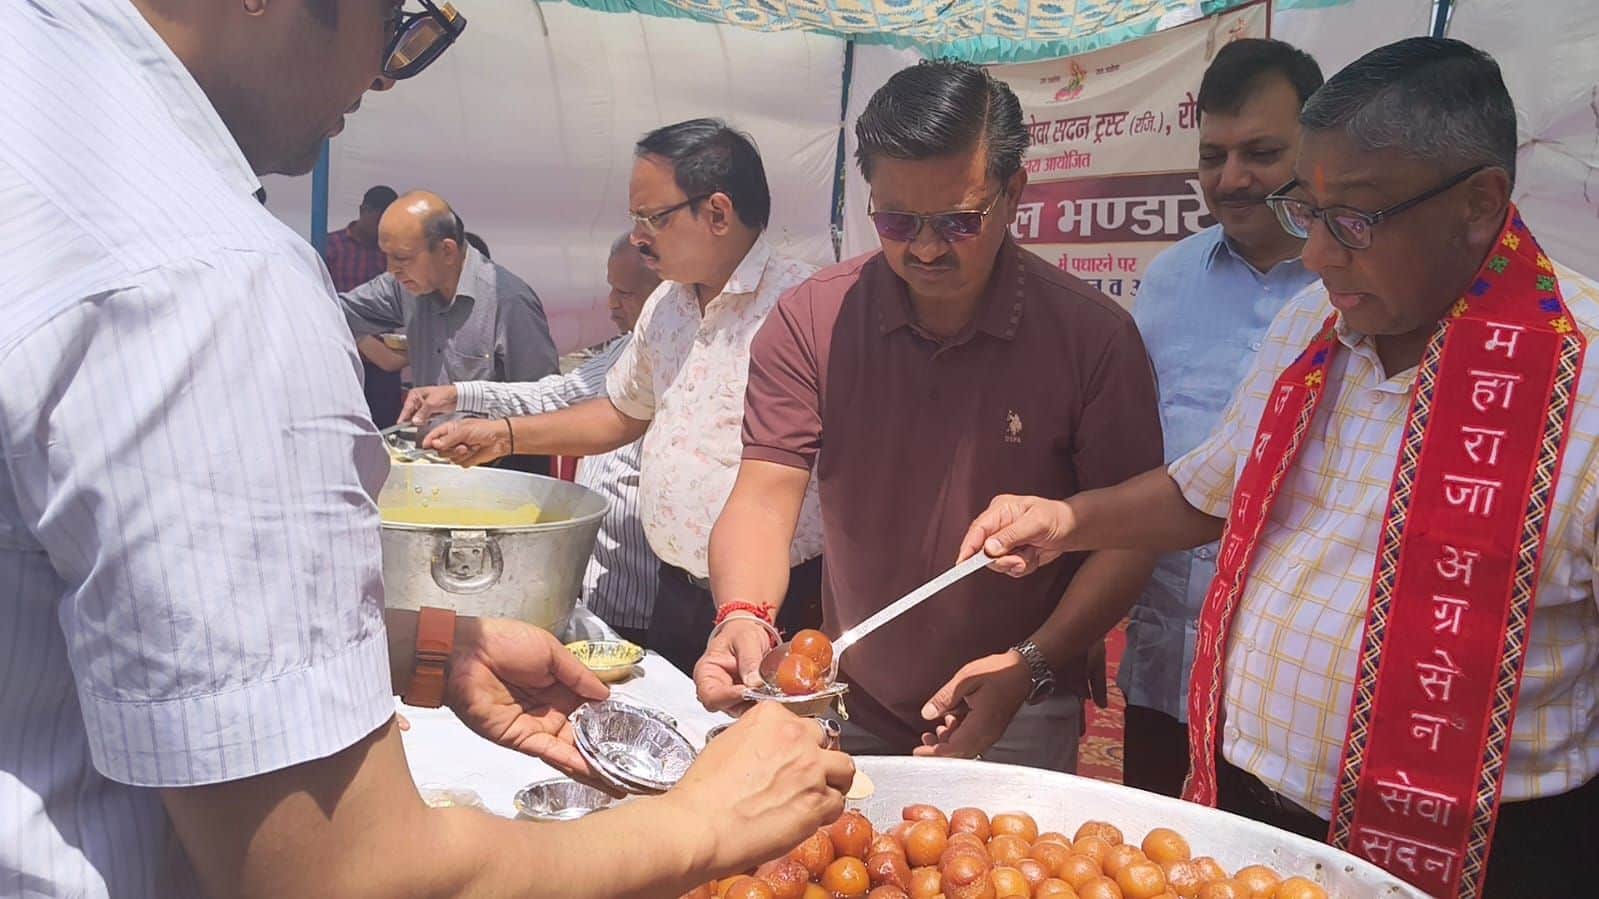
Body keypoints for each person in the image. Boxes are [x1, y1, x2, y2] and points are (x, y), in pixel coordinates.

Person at [0, 3, 853, 897]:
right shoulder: (206, 272)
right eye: (391, 20)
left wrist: (416, 647)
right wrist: (699, 823)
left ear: (716, 212)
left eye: (652, 218)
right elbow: (347, 873)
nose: (385, 72)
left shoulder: (57, 136)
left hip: (762, 600)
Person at [961, 38, 1599, 897]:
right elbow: (1207, 493)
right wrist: (1068, 520)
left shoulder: (1579, 377)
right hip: (1251, 810)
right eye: (1308, 211)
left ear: (1478, 202)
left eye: (1355, 220)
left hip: (1479, 853)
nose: (1318, 255)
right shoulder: (1311, 324)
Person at [691, 60, 1163, 771]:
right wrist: (741, 615)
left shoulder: (1091, 338)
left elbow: (1130, 536)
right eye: (896, 220)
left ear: (1013, 194)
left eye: (958, 221)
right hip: (852, 691)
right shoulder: (813, 321)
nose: (925, 247)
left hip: (1020, 694)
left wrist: (1032, 661)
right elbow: (763, 493)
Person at [425, 119, 827, 674]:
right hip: (676, 590)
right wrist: (505, 435)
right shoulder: (666, 305)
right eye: (635, 218)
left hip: (776, 601)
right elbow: (621, 412)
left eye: (653, 218)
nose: (638, 237)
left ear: (717, 213)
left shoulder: (805, 307)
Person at [1119, 39, 1324, 798]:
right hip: (1164, 665)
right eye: (1213, 156)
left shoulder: (1357, 289)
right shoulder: (1169, 279)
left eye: (1261, 154)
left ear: (1318, 146)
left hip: (1283, 696)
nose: (1231, 179)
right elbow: (1152, 463)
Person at [402, 234, 663, 645]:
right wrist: (459, 395)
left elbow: (594, 415)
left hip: (647, 591)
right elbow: (559, 392)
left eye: (626, 293)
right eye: (611, 289)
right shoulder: (627, 349)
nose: (612, 304)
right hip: (600, 582)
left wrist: (502, 436)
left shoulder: (510, 299)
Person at [324, 184, 407, 427]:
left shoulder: (393, 254)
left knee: (385, 428)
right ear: (363, 211)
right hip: (340, 357)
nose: (382, 229)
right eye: (378, 220)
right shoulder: (330, 247)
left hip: (382, 362)